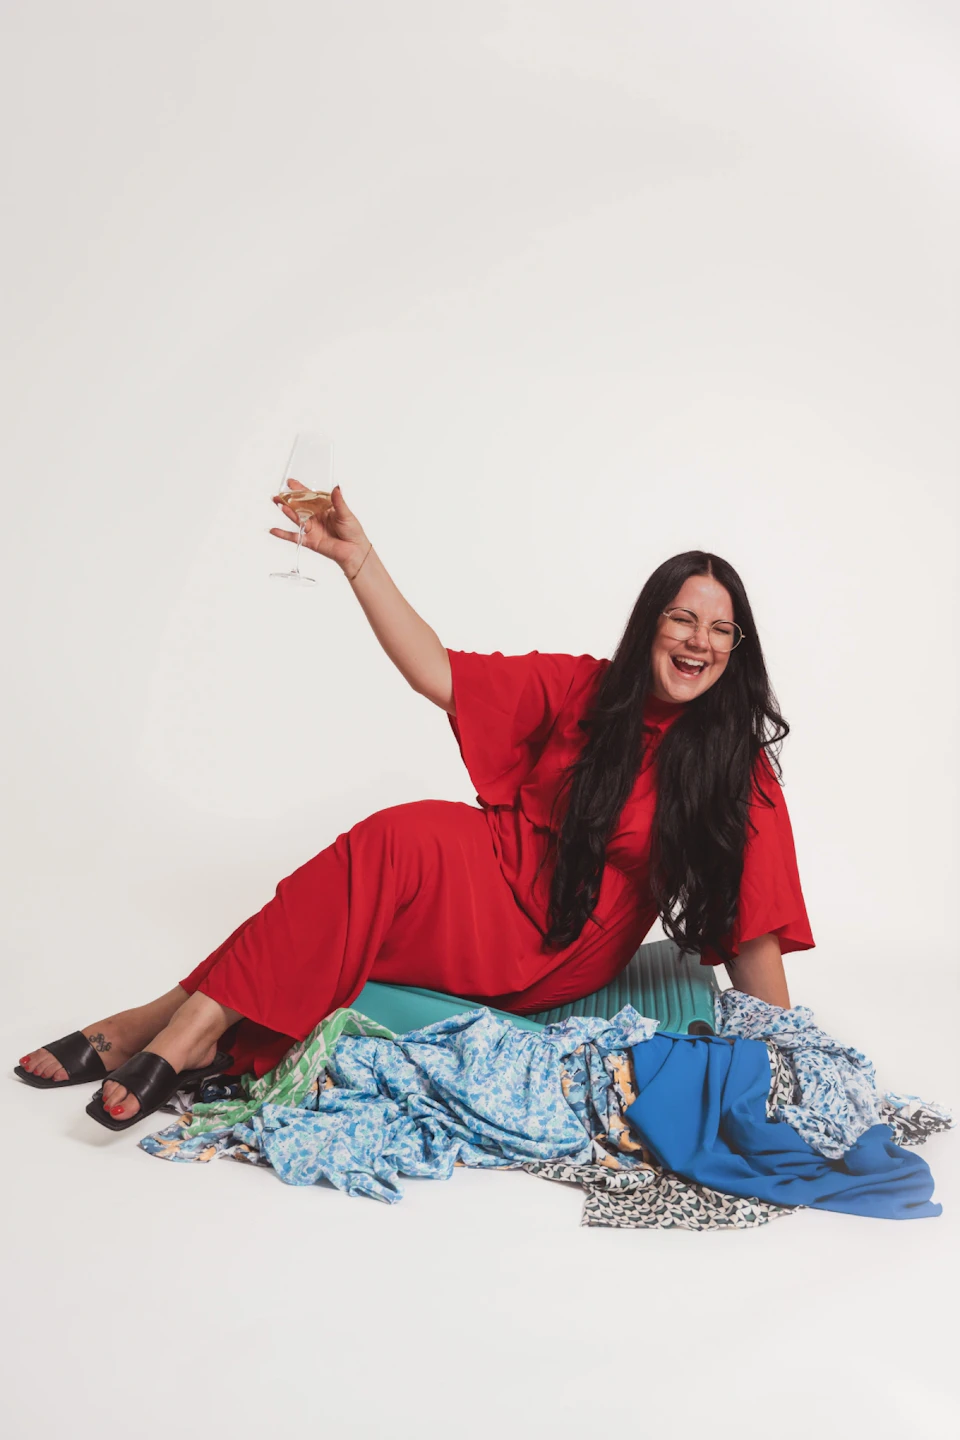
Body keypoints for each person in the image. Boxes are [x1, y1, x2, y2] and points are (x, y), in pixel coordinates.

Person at [17, 484, 813, 1126]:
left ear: (736, 648)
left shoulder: (735, 768)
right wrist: (358, 561)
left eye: (721, 630)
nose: (700, 641)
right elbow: (437, 670)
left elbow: (754, 927)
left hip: (555, 944)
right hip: (485, 878)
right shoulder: (585, 687)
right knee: (378, 853)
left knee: (363, 878)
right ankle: (174, 1024)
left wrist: (782, 1054)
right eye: (683, 618)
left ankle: (166, 1026)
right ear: (651, 624)